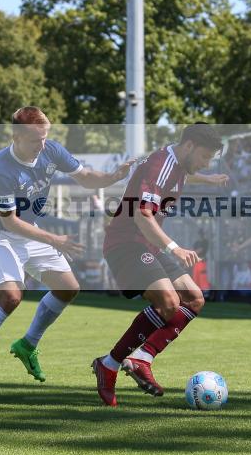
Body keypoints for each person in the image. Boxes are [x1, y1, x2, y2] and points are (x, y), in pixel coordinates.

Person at [0, 106, 133, 397]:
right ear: (17, 137)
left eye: (45, 137)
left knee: (68, 288)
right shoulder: (0, 168)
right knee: (11, 296)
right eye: (36, 139)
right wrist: (54, 240)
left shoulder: (50, 150)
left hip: (28, 229)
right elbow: (9, 221)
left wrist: (113, 176)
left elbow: (84, 176)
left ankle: (27, 344)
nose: (42, 144)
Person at [92, 123, 228, 407]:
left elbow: (183, 177)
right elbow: (142, 215)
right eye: (204, 157)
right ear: (189, 145)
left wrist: (208, 178)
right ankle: (114, 364)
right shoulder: (162, 165)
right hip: (126, 244)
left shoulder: (178, 165)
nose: (204, 162)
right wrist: (174, 248)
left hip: (147, 244)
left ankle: (136, 359)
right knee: (168, 301)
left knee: (193, 299)